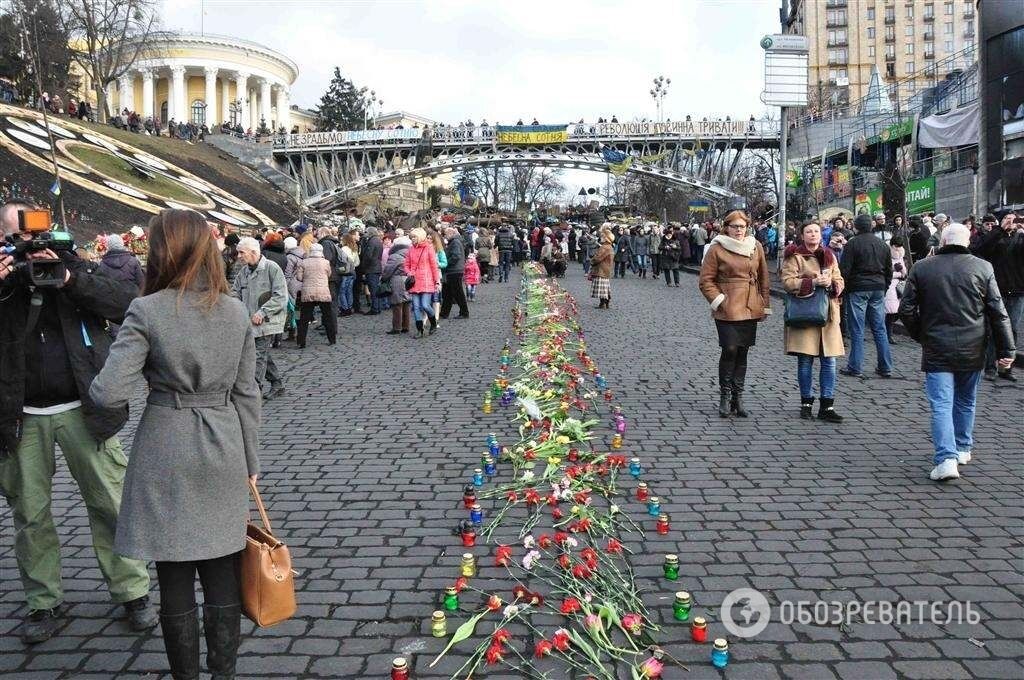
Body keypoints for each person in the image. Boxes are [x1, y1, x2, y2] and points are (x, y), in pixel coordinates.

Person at [88, 209, 260, 680]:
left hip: (166, 445)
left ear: (163, 250)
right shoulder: (235, 309)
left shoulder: (147, 310)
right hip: (224, 445)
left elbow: (108, 392)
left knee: (175, 577)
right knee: (224, 570)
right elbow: (248, 391)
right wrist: (251, 459)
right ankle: (222, 674)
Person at [0, 201, 156, 644]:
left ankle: (132, 591)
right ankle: (42, 601)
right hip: (20, 412)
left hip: (84, 406)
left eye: (35, 235)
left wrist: (68, 278)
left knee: (110, 501)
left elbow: (125, 304)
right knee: (30, 514)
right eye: (18, 236)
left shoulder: (74, 265)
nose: (29, 246)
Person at [898, 223, 1016, 482]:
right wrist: (1007, 348)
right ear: (967, 242)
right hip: (973, 346)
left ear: (942, 241)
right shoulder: (983, 268)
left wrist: (922, 335)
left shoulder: (922, 267)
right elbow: (998, 311)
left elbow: (906, 310)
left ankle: (946, 458)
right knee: (966, 401)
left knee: (941, 403)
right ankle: (962, 449)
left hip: (937, 345)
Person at [698, 210, 771, 418]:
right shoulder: (717, 248)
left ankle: (738, 397)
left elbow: (764, 278)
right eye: (734, 226)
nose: (739, 230)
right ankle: (725, 395)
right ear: (726, 227)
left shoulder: (755, 247)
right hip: (727, 306)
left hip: (749, 305)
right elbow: (706, 280)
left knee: (742, 351)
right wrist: (719, 300)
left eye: (742, 226)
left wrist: (764, 304)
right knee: (729, 349)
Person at [781, 222, 846, 422]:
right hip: (805, 315)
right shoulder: (794, 256)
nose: (813, 234)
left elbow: (840, 280)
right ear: (802, 234)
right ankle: (806, 403)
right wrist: (812, 282)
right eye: (809, 231)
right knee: (805, 361)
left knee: (829, 362)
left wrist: (832, 284)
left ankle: (827, 405)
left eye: (816, 231)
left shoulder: (829, 255)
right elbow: (787, 282)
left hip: (827, 315)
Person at [231, 237, 287, 400]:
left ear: (254, 252)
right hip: (249, 320)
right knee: (261, 354)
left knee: (257, 355)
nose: (239, 256)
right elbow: (235, 291)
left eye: (242, 253)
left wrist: (262, 313)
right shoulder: (244, 271)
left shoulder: (271, 268)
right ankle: (277, 383)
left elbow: (280, 297)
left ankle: (253, 389)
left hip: (266, 321)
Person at [839, 213, 894, 379]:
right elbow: (889, 269)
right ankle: (885, 366)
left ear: (856, 227)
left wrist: (843, 289)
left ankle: (855, 366)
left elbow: (845, 270)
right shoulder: (883, 245)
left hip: (858, 288)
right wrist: (884, 286)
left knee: (857, 328)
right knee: (879, 328)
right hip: (877, 287)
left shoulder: (852, 244)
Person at [974, 213, 1024, 381]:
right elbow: (980, 249)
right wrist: (1000, 230)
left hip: (1017, 291)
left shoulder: (1020, 237)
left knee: (1013, 330)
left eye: (1014, 219)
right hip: (997, 291)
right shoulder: (994, 236)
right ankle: (990, 366)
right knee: (994, 328)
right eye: (1007, 219)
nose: (1011, 222)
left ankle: (1006, 368)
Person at [295, 242, 337, 348]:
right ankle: (332, 339)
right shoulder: (326, 262)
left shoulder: (304, 263)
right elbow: (329, 274)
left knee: (304, 318)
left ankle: (301, 341)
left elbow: (299, 278)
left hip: (308, 293)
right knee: (328, 316)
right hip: (323, 292)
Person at [405, 227, 442, 337]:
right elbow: (406, 264)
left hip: (426, 281)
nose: (412, 239)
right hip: (414, 281)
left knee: (425, 305)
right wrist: (409, 272)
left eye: (414, 237)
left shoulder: (429, 248)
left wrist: (437, 281)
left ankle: (433, 323)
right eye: (411, 237)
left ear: (420, 237)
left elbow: (434, 266)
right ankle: (419, 330)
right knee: (416, 307)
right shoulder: (410, 249)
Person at [382, 235, 412, 334]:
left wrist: (383, 279)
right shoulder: (410, 253)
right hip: (407, 280)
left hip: (397, 280)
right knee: (406, 304)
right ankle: (405, 326)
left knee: (397, 304)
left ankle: (396, 327)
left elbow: (388, 270)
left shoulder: (395, 256)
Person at [440, 226, 469, 318]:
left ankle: (464, 312)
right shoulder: (454, 242)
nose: (444, 236)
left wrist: (446, 263)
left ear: (450, 234)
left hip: (454, 270)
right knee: (448, 292)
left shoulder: (455, 242)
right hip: (453, 270)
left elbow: (456, 256)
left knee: (458, 292)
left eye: (445, 234)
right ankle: (444, 312)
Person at [884, 236, 909, 344]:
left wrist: (903, 272)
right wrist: (898, 273)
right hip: (890, 285)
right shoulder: (886, 254)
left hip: (899, 285)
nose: (897, 249)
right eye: (896, 246)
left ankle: (887, 333)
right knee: (890, 311)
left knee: (896, 311)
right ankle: (887, 334)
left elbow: (904, 270)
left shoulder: (901, 254)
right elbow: (885, 272)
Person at [360, 227, 384, 315]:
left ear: (370, 233)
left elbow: (368, 256)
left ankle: (375, 308)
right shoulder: (378, 240)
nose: (364, 233)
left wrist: (364, 266)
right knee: (375, 289)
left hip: (371, 268)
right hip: (376, 267)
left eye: (366, 232)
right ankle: (377, 307)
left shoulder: (372, 241)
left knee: (373, 290)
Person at [590, 230, 615, 308]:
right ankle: (606, 303)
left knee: (602, 289)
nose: (601, 238)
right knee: (605, 288)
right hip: (606, 270)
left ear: (606, 238)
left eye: (602, 236)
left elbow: (598, 258)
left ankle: (602, 304)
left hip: (601, 270)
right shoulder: (610, 247)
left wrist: (592, 260)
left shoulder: (604, 247)